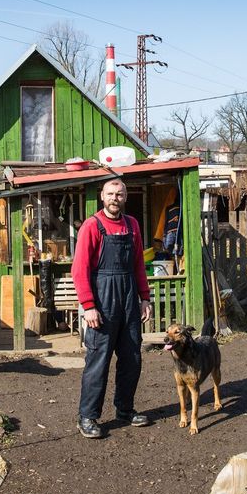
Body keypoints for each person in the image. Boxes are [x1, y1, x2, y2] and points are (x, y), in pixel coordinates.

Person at [71, 178, 152, 438]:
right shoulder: (92, 226)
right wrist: (89, 306)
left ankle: (125, 409)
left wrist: (145, 297)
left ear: (125, 197)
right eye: (110, 194)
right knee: (98, 361)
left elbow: (138, 264)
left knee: (132, 359)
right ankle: (87, 417)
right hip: (103, 300)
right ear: (102, 197)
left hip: (129, 297)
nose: (115, 198)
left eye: (119, 194)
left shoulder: (133, 225)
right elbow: (79, 269)